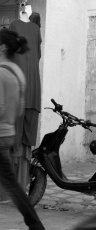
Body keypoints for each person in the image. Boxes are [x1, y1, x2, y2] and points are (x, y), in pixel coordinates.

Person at [0, 28, 45, 230]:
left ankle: (35, 224)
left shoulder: (0, 72)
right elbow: (19, 109)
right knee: (11, 184)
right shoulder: (18, 73)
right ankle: (35, 224)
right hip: (8, 134)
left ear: (2, 48)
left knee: (10, 184)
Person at [9, 6, 42, 191]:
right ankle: (22, 185)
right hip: (32, 90)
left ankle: (16, 186)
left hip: (20, 91)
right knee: (24, 144)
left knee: (16, 143)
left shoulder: (13, 25)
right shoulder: (36, 30)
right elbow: (37, 55)